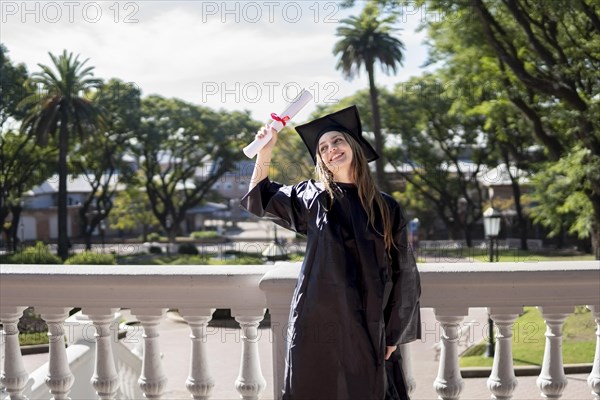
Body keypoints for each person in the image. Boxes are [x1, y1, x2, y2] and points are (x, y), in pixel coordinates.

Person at [241, 105, 421, 400]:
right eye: (323, 147)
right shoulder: (312, 197)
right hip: (315, 320)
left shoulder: (386, 207)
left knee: (369, 389)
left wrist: (394, 333)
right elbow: (259, 199)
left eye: (337, 141)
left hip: (368, 321)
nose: (330, 150)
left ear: (354, 145)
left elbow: (404, 273)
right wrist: (266, 150)